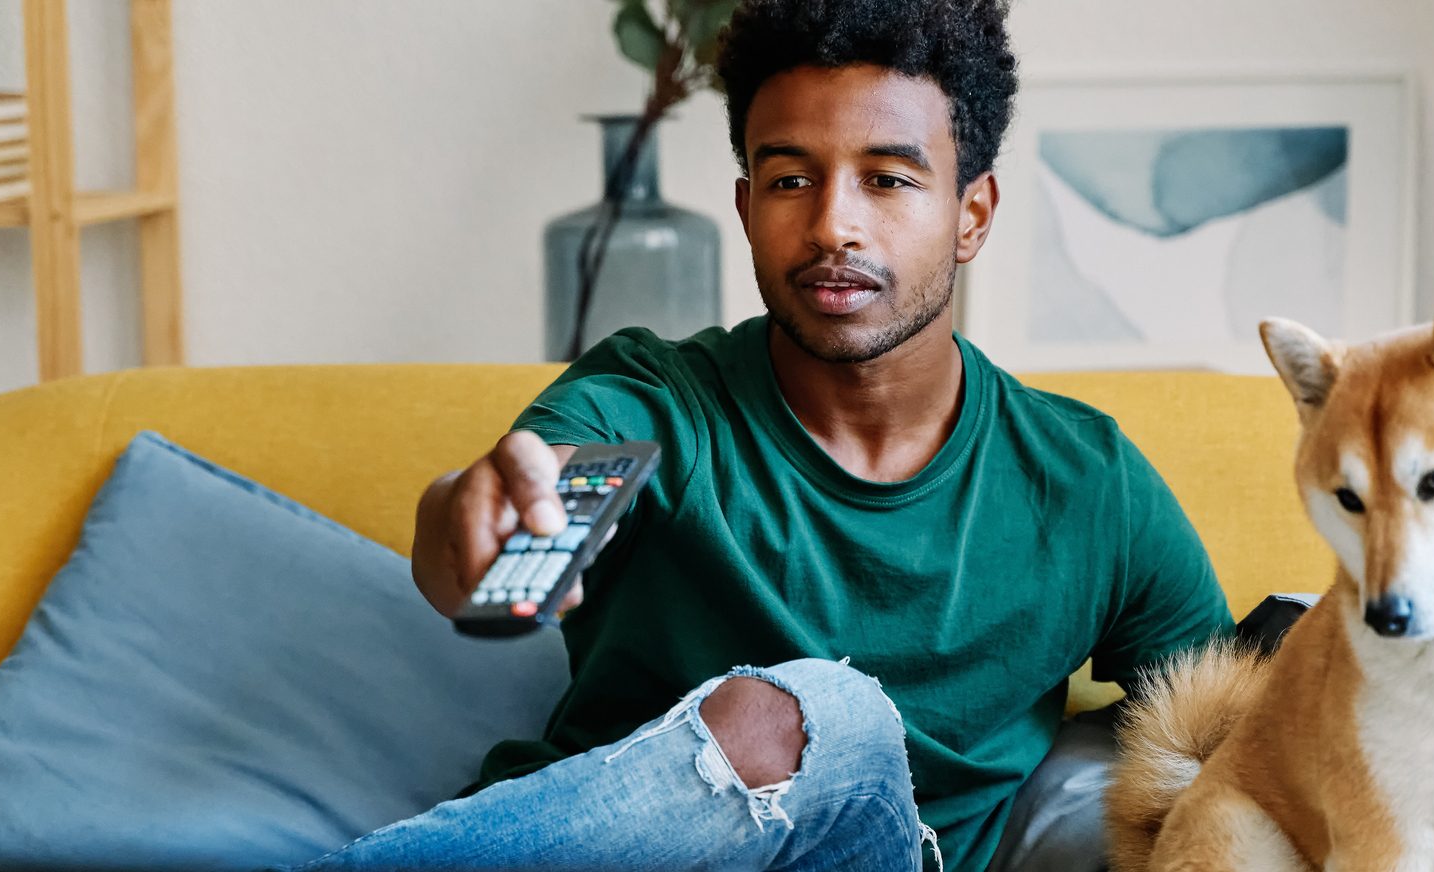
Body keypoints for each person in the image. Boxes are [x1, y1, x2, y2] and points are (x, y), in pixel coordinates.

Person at [285, 1, 1233, 869]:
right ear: (746, 208)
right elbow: (478, 546)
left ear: (970, 214)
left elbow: (1233, 736)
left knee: (827, 714)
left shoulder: (1086, 483)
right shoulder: (656, 395)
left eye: (889, 179)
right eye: (789, 179)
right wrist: (472, 515)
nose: (833, 226)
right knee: (817, 709)